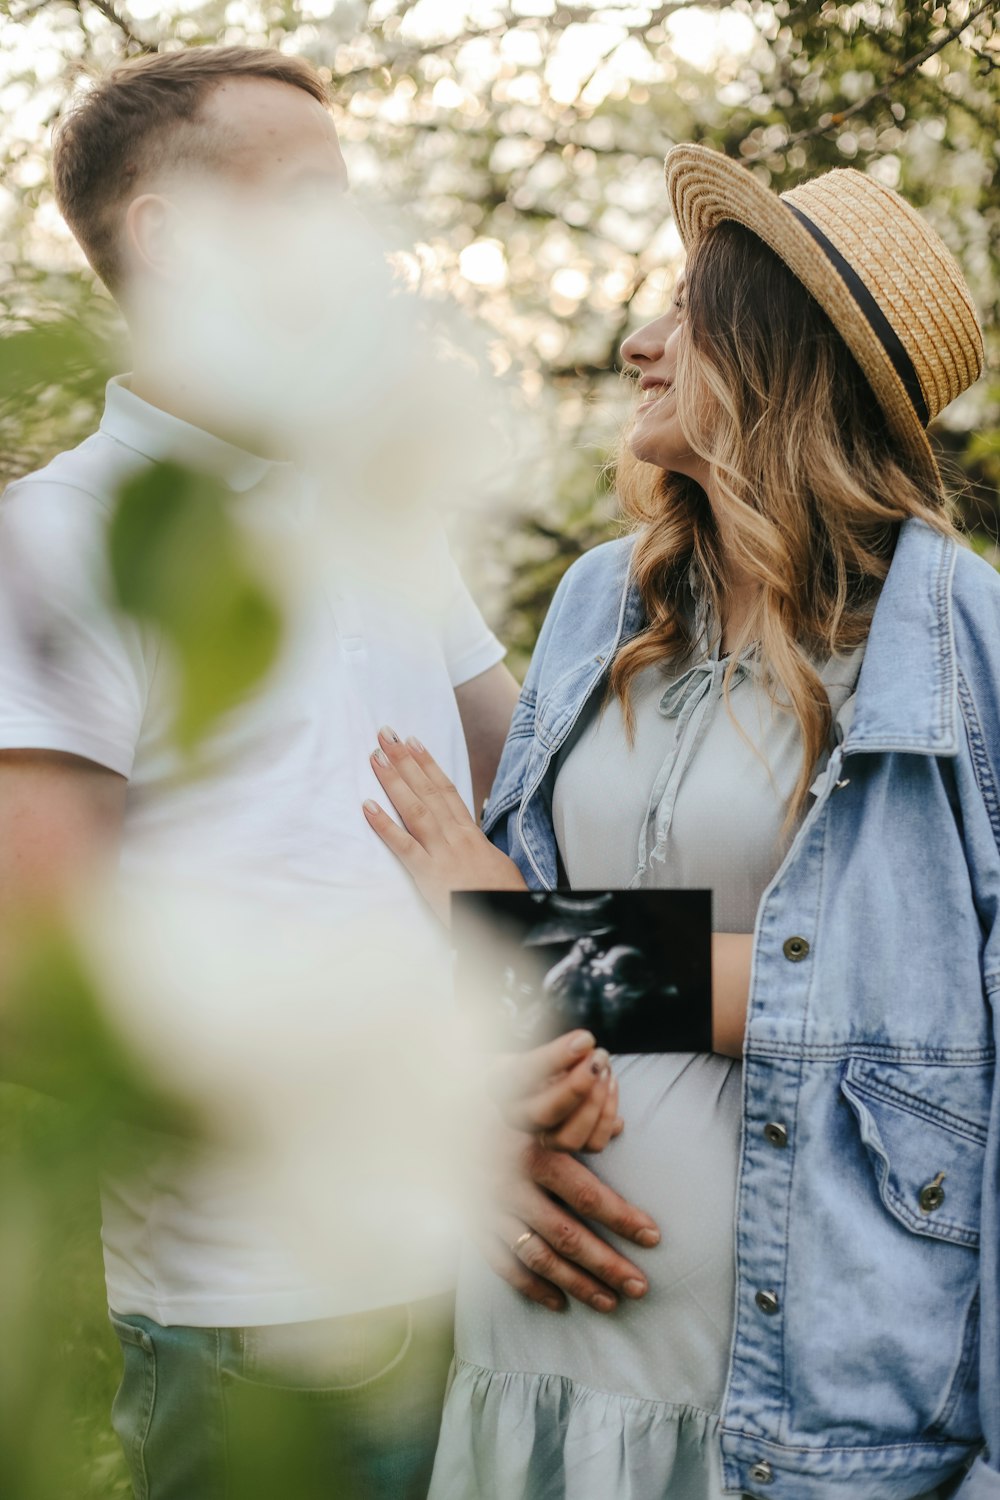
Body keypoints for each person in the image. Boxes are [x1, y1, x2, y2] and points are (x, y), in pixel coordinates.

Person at [364, 144, 999, 1498]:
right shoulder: (608, 602)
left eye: (684, 313)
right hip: (534, 1347)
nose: (639, 344)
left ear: (777, 356)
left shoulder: (951, 648)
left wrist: (515, 938)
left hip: (786, 1400)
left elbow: (908, 1011)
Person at [0, 44, 534, 1500]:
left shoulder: (381, 521)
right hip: (266, 1325)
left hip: (498, 1286)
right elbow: (45, 996)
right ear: (172, 233)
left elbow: (541, 825)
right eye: (309, 197)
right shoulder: (52, 544)